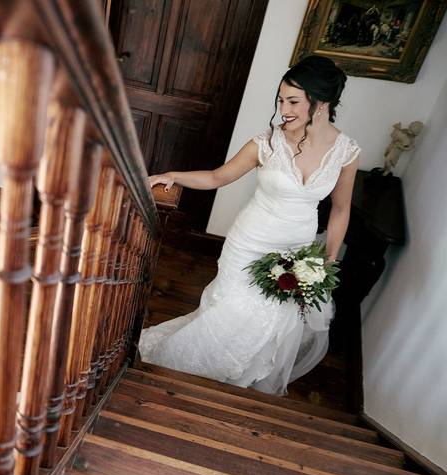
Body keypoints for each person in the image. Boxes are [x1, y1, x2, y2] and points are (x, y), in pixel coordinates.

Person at [140, 55, 360, 395]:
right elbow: (217, 176)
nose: (283, 109)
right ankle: (184, 368)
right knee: (229, 311)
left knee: (269, 322)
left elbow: (341, 210)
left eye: (292, 101)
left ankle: (232, 377)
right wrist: (173, 175)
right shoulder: (267, 143)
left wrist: (328, 259)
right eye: (281, 100)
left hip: (296, 251)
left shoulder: (346, 152)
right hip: (250, 242)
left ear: (321, 105)